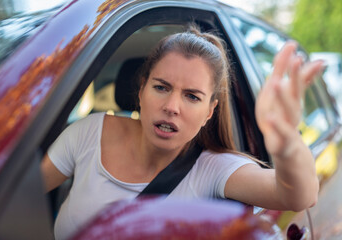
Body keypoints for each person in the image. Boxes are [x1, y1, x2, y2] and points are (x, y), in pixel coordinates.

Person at [40, 25, 323, 239]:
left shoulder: (212, 170)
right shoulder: (89, 132)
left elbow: (298, 196)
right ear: (141, 91)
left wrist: (286, 141)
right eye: (161, 87)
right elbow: (8, 192)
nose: (172, 107)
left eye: (192, 96)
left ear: (209, 112)